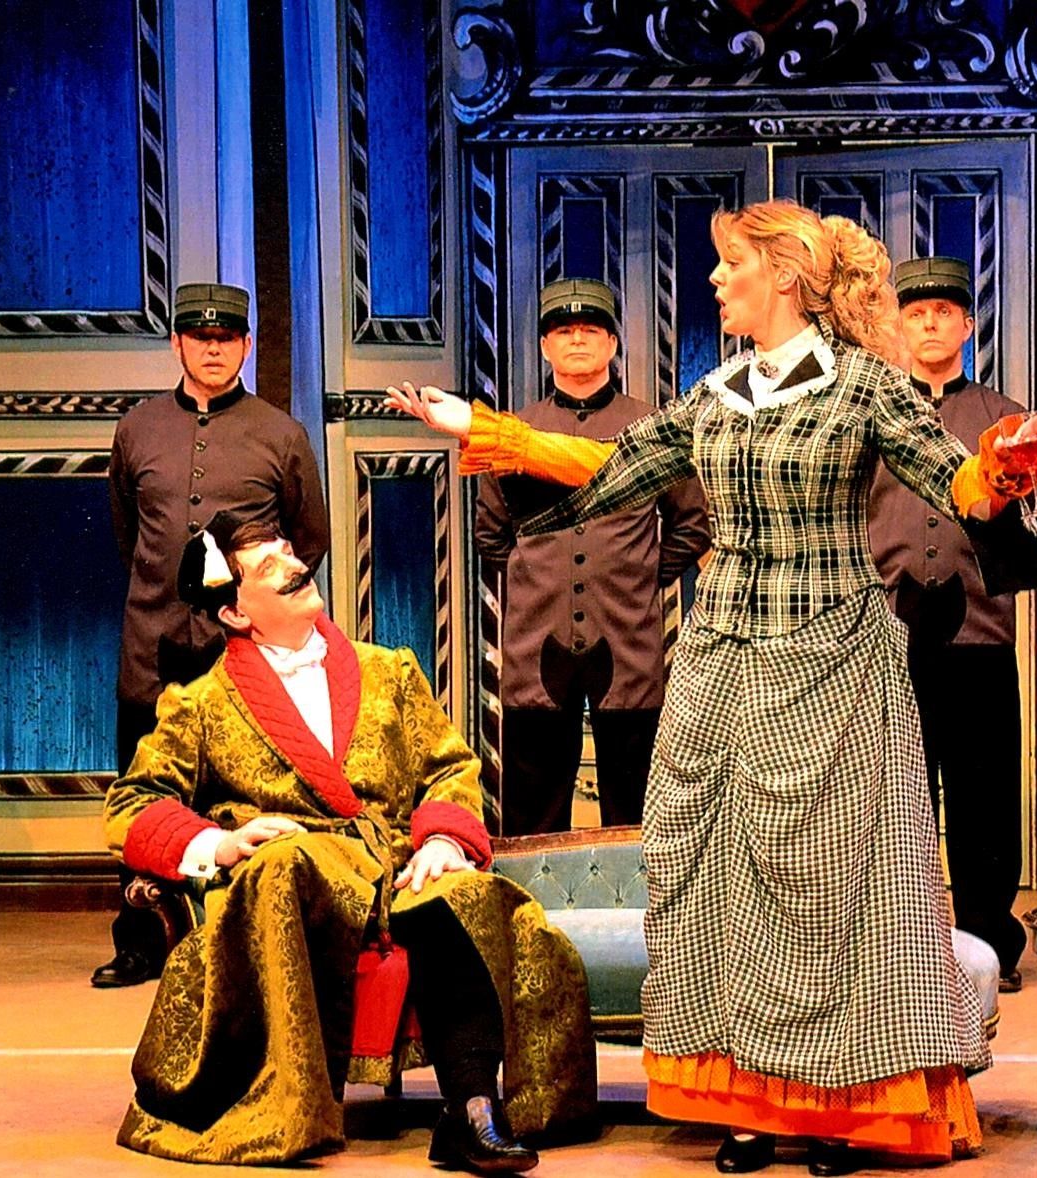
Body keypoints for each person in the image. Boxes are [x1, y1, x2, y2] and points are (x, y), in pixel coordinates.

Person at [388, 199, 1037, 1175]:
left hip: (833, 658)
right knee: (717, 883)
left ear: (782, 273)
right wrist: (488, 430)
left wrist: (998, 469)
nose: (712, 279)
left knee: (831, 887)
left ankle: (840, 1104)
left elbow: (951, 480)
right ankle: (749, 1102)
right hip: (720, 663)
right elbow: (618, 467)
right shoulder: (717, 393)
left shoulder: (865, 386)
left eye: (729, 263)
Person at [103, 511, 597, 1172]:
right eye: (269, 566)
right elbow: (132, 803)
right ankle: (291, 1106)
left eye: (286, 549)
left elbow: (449, 768)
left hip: (397, 865)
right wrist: (218, 842)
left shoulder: (388, 671)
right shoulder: (200, 705)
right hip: (301, 878)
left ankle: (472, 1111)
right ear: (237, 613)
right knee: (291, 864)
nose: (293, 564)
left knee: (463, 897)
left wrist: (443, 840)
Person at [97, 282, 329, 989]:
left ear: (246, 345)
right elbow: (128, 534)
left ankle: (243, 944)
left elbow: (308, 540)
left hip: (243, 651)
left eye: (227, 338)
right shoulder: (137, 429)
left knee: (247, 795)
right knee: (148, 790)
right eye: (200, 337)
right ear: (177, 343)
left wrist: (247, 604)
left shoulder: (280, 433)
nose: (213, 349)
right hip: (153, 641)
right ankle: (142, 939)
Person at [867, 256, 1037, 994]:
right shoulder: (871, 416)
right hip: (884, 637)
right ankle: (901, 946)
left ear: (967, 325)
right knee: (894, 799)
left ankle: (988, 942)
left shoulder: (1007, 420)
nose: (929, 324)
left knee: (984, 799)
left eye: (943, 313)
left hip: (980, 635)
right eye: (916, 313)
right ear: (898, 325)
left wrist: (1002, 511)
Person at [476, 278, 710, 833]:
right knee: (534, 811)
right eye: (563, 330)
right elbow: (491, 534)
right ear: (545, 346)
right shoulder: (514, 434)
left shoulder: (652, 430)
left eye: (590, 329)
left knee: (636, 807)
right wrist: (536, 576)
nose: (577, 339)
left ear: (612, 344)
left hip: (627, 642)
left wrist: (640, 575)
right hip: (536, 643)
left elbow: (692, 523)